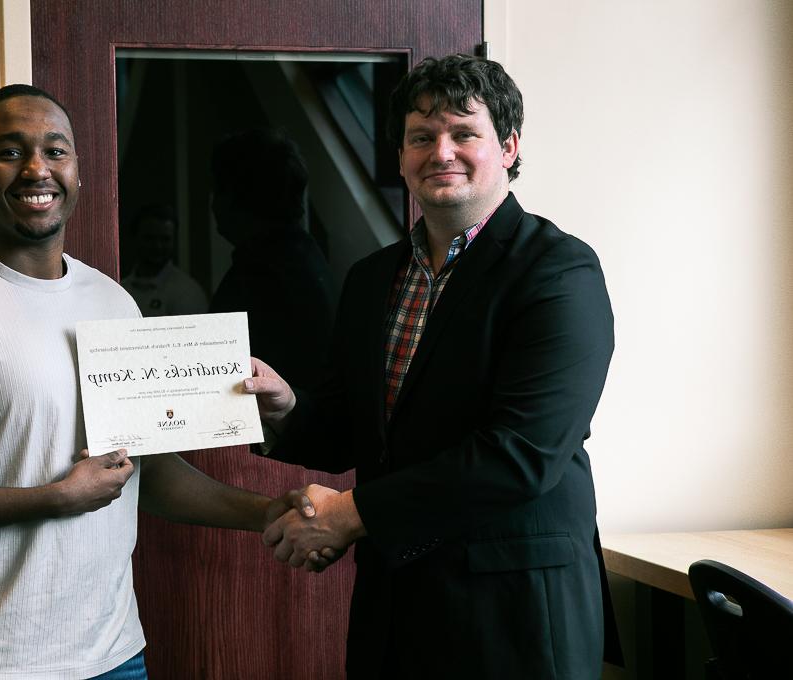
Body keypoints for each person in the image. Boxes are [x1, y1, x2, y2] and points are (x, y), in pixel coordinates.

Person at [0, 84, 314, 680]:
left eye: (55, 150)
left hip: (114, 656)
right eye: (10, 151)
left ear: (77, 169)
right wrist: (54, 498)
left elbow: (152, 471)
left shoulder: (113, 303)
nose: (36, 168)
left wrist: (267, 511)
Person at [247, 55, 621, 678]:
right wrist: (289, 409)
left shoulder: (559, 273)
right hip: (396, 607)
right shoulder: (372, 279)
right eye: (421, 138)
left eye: (463, 133)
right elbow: (354, 424)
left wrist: (348, 514)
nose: (441, 152)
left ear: (508, 146)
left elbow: (520, 454)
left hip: (517, 615)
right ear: (400, 157)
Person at [210, 128, 337, 390]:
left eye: (217, 189)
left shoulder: (262, 276)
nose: (213, 204)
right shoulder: (301, 257)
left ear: (237, 196)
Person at [120, 204, 208, 317]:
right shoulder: (122, 289)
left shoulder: (187, 292)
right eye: (150, 238)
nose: (158, 246)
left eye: (165, 239)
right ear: (135, 237)